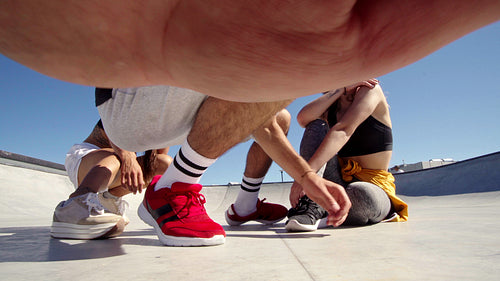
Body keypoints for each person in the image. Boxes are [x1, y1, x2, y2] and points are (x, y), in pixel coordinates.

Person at [1, 1, 498, 101]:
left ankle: (231, 195)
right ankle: (181, 182)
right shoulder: (359, 89)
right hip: (127, 111)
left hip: (161, 73)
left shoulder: (367, 91)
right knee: (278, 104)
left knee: (275, 100)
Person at [96, 86, 351, 246]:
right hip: (127, 104)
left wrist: (306, 176)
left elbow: (253, 110)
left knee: (276, 112)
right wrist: (126, 155)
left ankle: (242, 205)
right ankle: (172, 187)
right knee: (277, 63)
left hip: (168, 107)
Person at [286, 80, 408, 232]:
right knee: (316, 125)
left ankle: (325, 207)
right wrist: (340, 90)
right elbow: (303, 118)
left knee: (363, 194)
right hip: (338, 182)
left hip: (373, 187)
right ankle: (313, 205)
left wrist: (305, 175)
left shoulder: (371, 90)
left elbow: (343, 130)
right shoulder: (332, 105)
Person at [50, 119, 172, 239]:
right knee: (117, 154)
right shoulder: (136, 108)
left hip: (113, 167)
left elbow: (159, 157)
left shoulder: (167, 123)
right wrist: (129, 159)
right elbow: (114, 134)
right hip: (86, 159)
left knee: (163, 164)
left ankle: (109, 200)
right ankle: (74, 205)